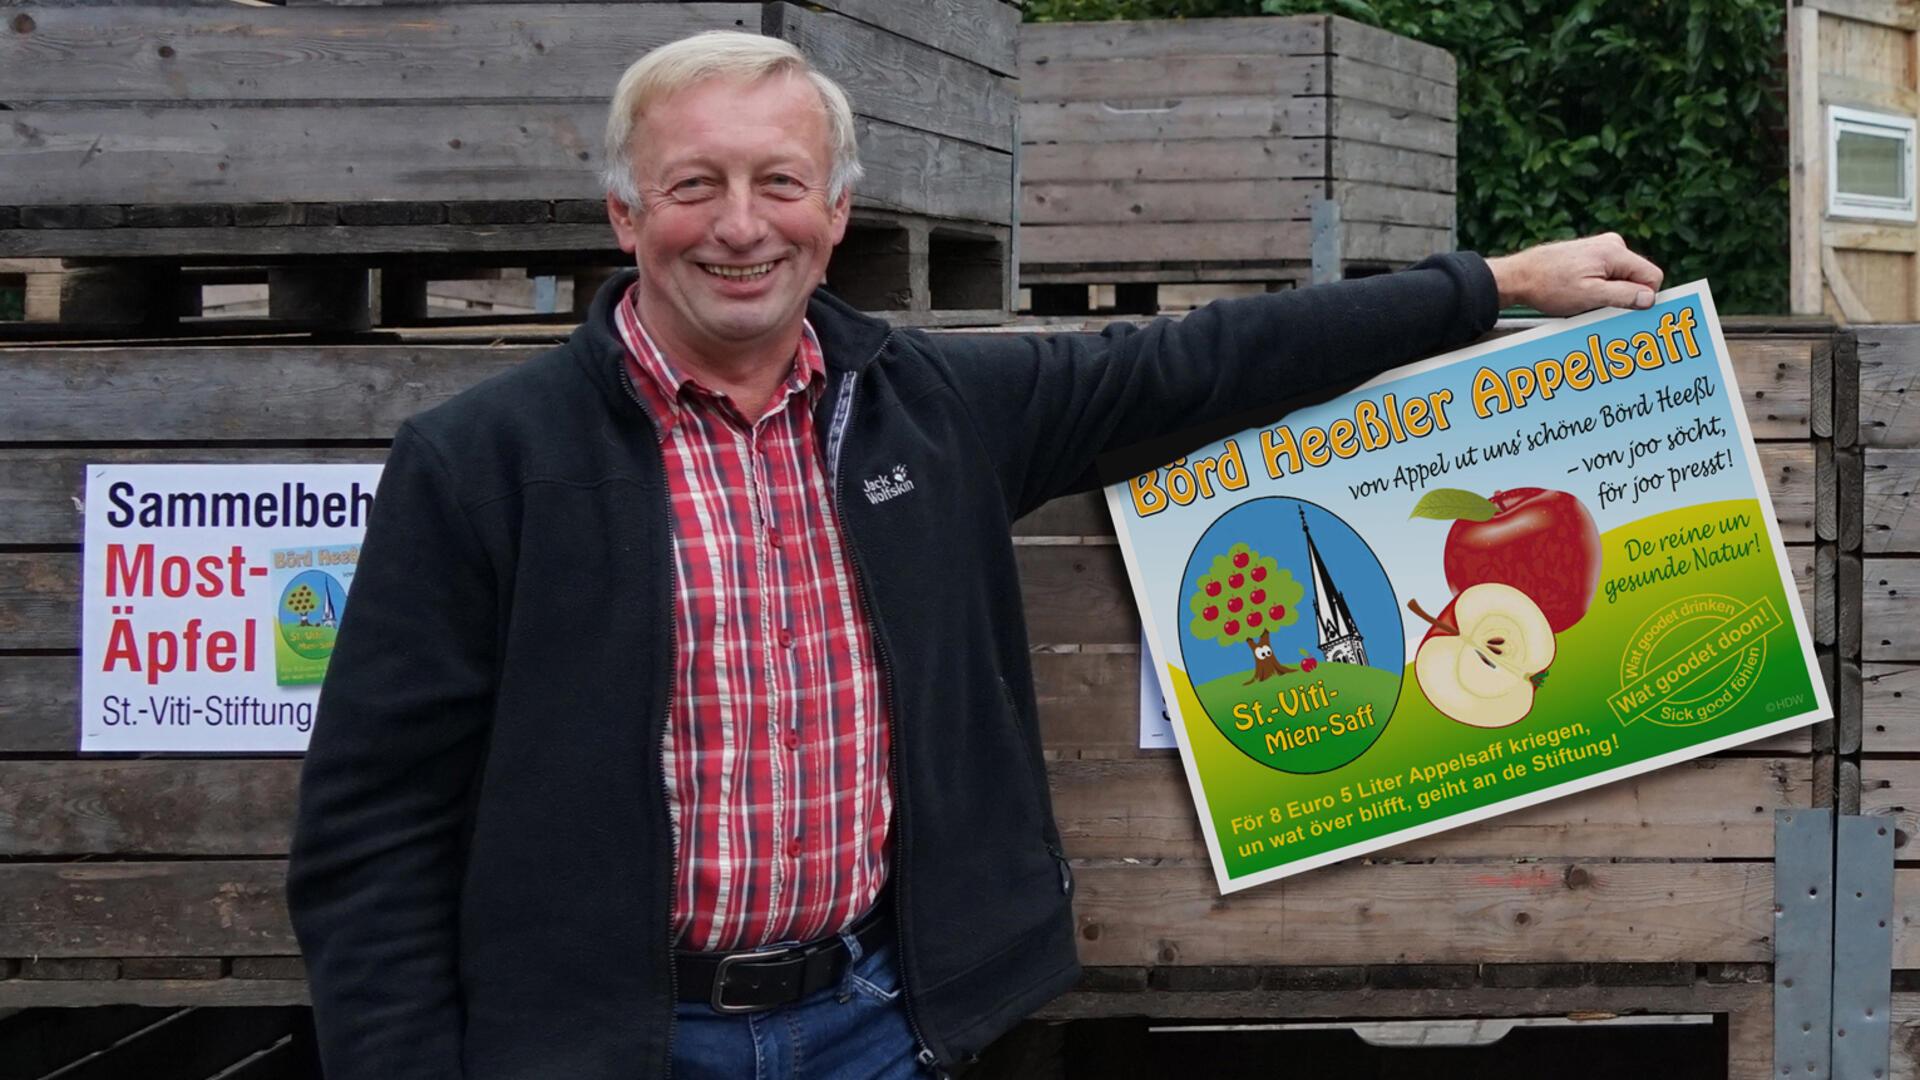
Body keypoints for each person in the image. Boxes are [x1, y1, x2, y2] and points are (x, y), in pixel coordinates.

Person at [285, 29, 1664, 1080]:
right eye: (693, 186)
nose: (742, 224)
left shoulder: (937, 411)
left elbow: (1196, 367)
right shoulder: (483, 462)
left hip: (876, 1030)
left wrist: (1489, 284)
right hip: (604, 1046)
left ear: (836, 217)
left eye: (781, 183)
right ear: (625, 217)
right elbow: (372, 830)